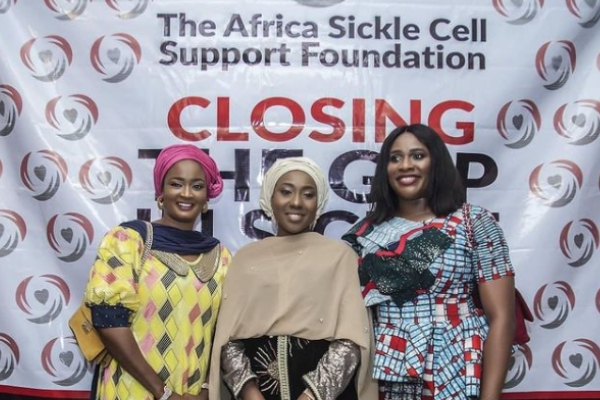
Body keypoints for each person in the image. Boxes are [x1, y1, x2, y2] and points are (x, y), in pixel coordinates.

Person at [342, 124, 516, 400]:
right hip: (389, 374)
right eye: (395, 158)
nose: (405, 165)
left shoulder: (473, 222)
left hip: (458, 370)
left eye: (418, 155)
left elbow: (503, 317)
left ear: (436, 162)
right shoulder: (363, 234)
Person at [208, 157, 378, 400]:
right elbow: (228, 340)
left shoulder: (340, 258)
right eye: (286, 192)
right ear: (270, 198)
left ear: (318, 204)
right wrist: (250, 393)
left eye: (308, 194)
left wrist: (312, 395)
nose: (296, 202)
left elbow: (351, 342)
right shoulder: (246, 260)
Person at [84, 144, 231, 400]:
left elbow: (226, 334)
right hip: (129, 391)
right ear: (160, 192)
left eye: (197, 186)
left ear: (206, 197)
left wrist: (208, 389)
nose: (186, 193)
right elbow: (108, 321)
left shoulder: (222, 257)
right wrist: (162, 393)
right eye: (176, 184)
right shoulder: (128, 241)